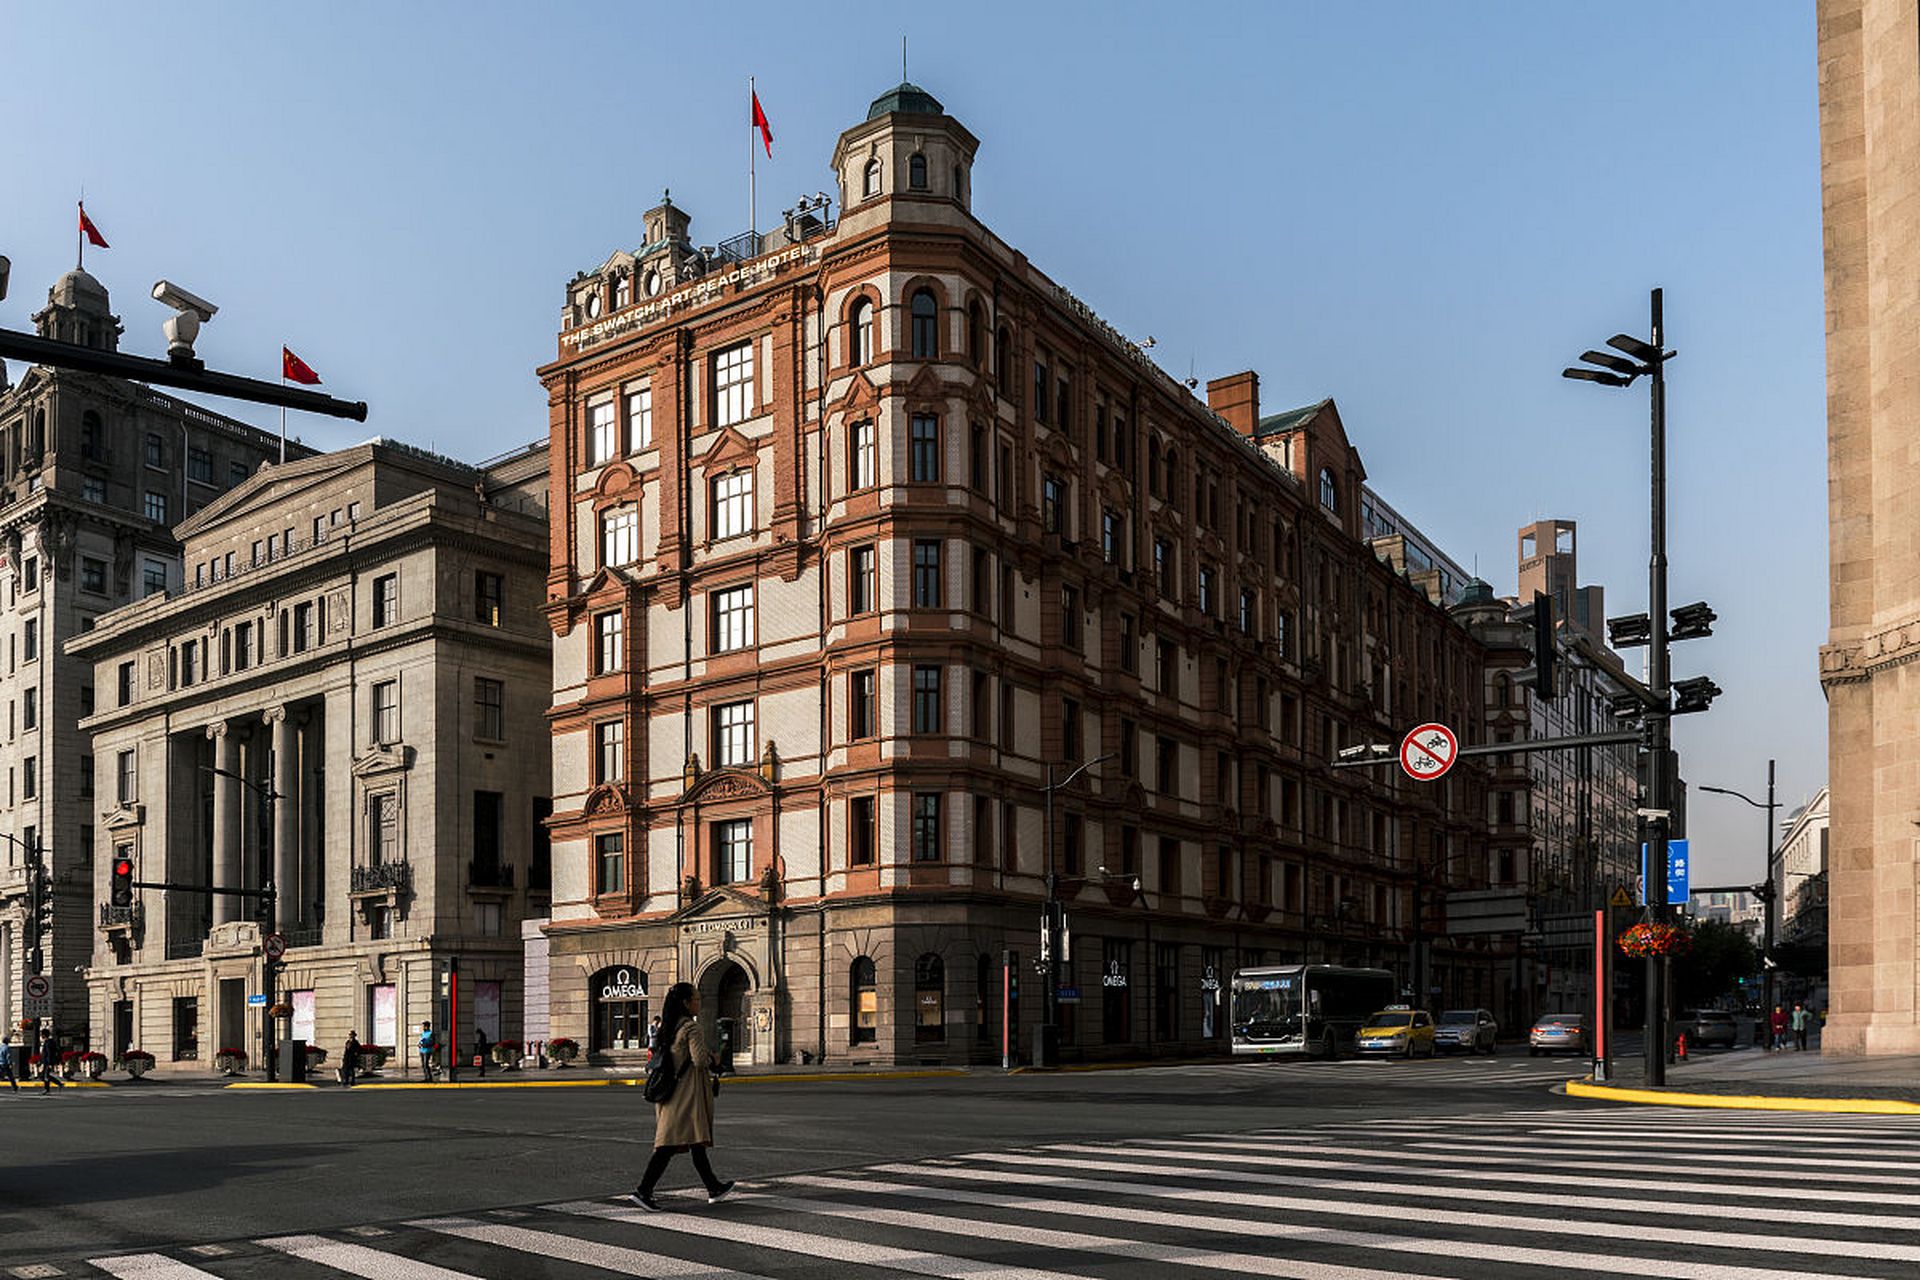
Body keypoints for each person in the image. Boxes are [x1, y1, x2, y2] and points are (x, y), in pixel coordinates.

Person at [630, 982, 734, 1210]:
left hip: (672, 1092)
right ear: (686, 1003)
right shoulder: (691, 1028)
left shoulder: (669, 1026)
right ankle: (643, 1190)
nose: (699, 1003)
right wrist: (714, 1060)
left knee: (696, 1141)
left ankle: (713, 1186)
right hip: (686, 1093)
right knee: (668, 1144)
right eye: (696, 999)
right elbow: (698, 1060)